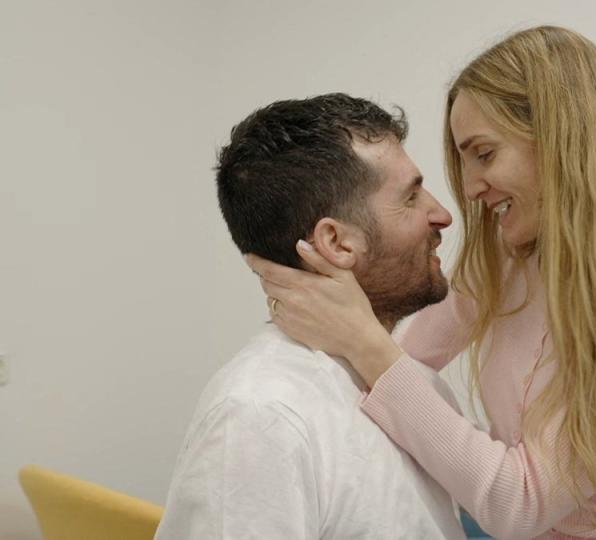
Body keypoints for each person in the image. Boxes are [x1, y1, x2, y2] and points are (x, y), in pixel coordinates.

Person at [247, 26, 596, 539]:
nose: (467, 188)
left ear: (564, 141)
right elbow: (397, 367)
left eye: (483, 154)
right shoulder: (502, 264)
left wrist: (360, 336)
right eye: (462, 160)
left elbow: (518, 505)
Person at [155, 93, 468, 539]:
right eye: (411, 197)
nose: (442, 214)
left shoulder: (414, 390)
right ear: (336, 243)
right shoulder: (262, 415)